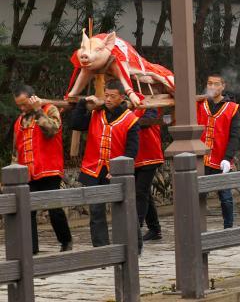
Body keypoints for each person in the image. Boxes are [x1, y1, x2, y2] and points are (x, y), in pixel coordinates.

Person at [70, 80, 139, 247]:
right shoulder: (96, 113)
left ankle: (134, 245)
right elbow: (76, 124)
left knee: (125, 209)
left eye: (112, 96)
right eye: (106, 95)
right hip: (94, 169)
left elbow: (132, 150)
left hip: (116, 171)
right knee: (96, 212)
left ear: (121, 98)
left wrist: (119, 171)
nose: (108, 99)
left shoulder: (131, 120)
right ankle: (101, 249)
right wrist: (82, 103)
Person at [12, 85, 72, 254]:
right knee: (27, 210)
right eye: (19, 106)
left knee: (54, 209)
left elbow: (52, 130)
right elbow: (16, 149)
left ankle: (66, 241)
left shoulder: (50, 109)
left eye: (25, 104)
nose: (22, 108)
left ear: (33, 98)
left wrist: (39, 111)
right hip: (27, 172)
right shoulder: (20, 120)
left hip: (48, 170)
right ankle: (31, 249)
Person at [197, 73, 240, 229]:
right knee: (197, 195)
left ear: (223, 86)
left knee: (225, 196)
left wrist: (227, 158)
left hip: (220, 158)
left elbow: (235, 136)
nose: (212, 87)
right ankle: (197, 228)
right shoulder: (200, 103)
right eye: (209, 83)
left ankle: (228, 228)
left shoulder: (232, 108)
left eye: (216, 84)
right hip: (201, 158)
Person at [134, 106, 164, 241]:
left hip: (150, 155)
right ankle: (155, 229)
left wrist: (127, 121)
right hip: (134, 155)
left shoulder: (150, 103)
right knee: (144, 193)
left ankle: (134, 229)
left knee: (140, 192)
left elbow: (148, 120)